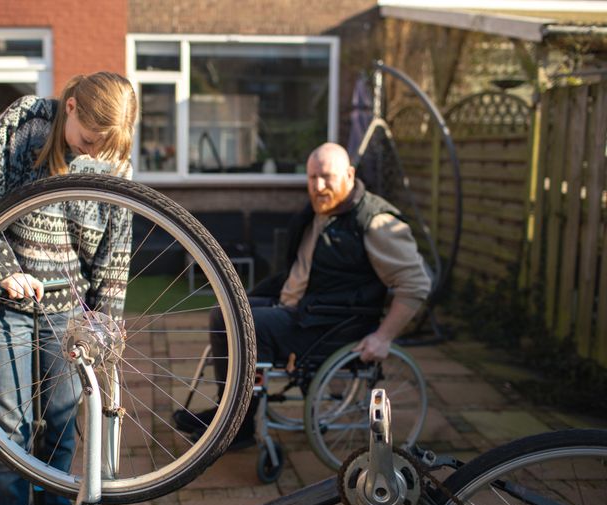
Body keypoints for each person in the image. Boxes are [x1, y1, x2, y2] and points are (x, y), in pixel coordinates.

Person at [0, 72, 137, 505]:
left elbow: (115, 255)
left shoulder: (112, 160)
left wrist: (103, 325)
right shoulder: (24, 124)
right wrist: (2, 267)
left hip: (66, 315)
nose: (92, 153)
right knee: (8, 433)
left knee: (57, 433)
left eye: (104, 146)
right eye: (88, 140)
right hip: (0, 304)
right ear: (70, 106)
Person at [173, 142, 431, 446]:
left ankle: (239, 428)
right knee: (224, 314)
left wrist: (383, 337)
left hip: (326, 326)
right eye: (312, 178)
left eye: (326, 177)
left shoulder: (374, 222)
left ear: (350, 174)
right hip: (300, 307)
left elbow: (415, 283)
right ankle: (227, 411)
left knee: (249, 326)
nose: (318, 186)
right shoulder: (321, 210)